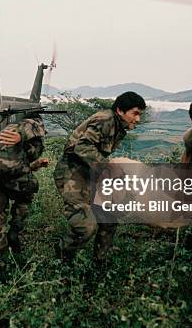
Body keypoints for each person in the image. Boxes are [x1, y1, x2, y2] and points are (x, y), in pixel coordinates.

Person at [54, 91, 146, 264]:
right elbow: (82, 148)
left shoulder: (118, 126)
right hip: (71, 172)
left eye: (140, 114)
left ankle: (100, 262)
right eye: (135, 113)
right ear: (120, 110)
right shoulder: (105, 119)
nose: (138, 119)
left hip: (91, 172)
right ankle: (62, 258)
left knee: (109, 217)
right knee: (86, 227)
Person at [0, 114, 49, 285]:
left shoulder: (4, 130)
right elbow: (32, 138)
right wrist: (27, 139)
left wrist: (33, 165)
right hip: (13, 178)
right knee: (30, 187)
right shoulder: (30, 125)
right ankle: (16, 227)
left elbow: (11, 160)